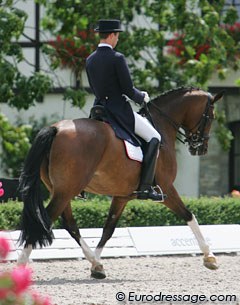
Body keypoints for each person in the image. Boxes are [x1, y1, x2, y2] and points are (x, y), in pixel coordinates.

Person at [86, 19, 166, 202]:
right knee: (155, 138)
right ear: (113, 35)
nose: (118, 39)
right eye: (118, 36)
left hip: (98, 110)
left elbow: (95, 87)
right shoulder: (117, 58)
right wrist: (142, 97)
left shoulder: (90, 59)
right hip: (118, 111)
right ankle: (146, 188)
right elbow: (128, 90)